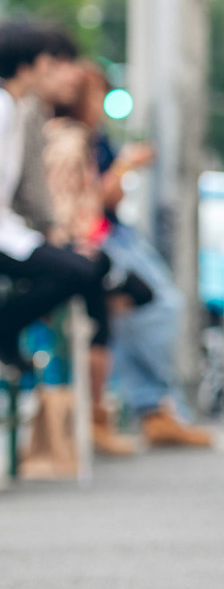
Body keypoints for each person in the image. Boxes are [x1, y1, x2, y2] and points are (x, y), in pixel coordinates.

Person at [48, 62, 213, 449]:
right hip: (94, 240)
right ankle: (133, 409)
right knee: (151, 306)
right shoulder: (72, 138)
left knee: (117, 317)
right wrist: (125, 166)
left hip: (103, 239)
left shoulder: (88, 135)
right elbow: (86, 201)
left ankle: (141, 408)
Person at [0, 22, 131, 387]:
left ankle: (88, 399)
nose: (53, 70)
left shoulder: (17, 108)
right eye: (48, 62)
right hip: (9, 234)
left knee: (90, 268)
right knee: (81, 270)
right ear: (27, 65)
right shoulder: (9, 109)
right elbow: (31, 189)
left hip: (14, 231)